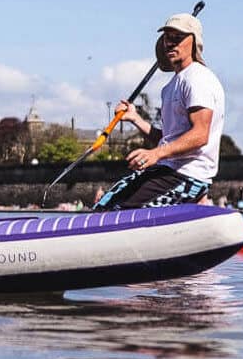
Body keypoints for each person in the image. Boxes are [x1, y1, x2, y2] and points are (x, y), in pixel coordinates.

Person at [93, 12, 225, 211]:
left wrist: (156, 153)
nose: (170, 43)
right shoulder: (170, 87)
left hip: (187, 175)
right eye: (167, 38)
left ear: (194, 42)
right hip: (166, 170)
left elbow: (200, 135)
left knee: (118, 211)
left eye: (178, 38)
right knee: (104, 206)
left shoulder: (198, 79)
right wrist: (136, 119)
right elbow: (169, 140)